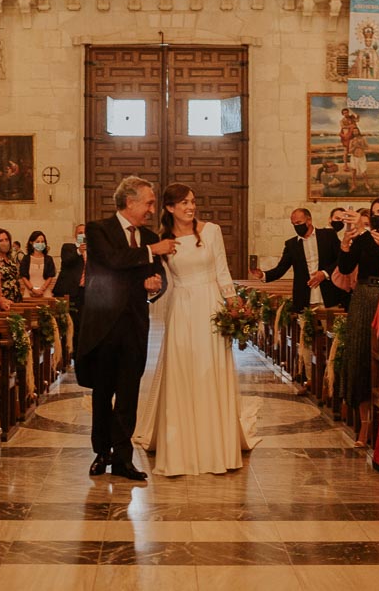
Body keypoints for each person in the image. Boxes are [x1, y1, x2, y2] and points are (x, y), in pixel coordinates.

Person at [134, 183, 258, 475]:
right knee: (184, 372)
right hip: (181, 307)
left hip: (211, 305)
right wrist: (150, 292)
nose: (190, 207)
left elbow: (222, 271)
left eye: (192, 201)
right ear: (170, 208)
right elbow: (162, 280)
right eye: (184, 203)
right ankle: (182, 446)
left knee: (209, 370)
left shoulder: (211, 231)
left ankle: (216, 445)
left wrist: (234, 305)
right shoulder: (162, 240)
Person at [77, 176, 175, 481]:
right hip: (104, 326)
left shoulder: (148, 237)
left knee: (129, 394)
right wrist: (151, 252)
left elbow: (159, 277)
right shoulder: (98, 230)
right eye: (147, 202)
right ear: (129, 202)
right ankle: (101, 453)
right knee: (103, 393)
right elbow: (113, 260)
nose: (151, 208)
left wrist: (155, 285)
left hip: (134, 325)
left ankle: (123, 458)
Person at [335, 196, 379, 447]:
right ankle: (364, 425)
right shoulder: (363, 239)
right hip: (364, 296)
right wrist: (346, 243)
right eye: (374, 213)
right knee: (361, 357)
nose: (377, 216)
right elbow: (344, 267)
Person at [252, 208, 349, 310]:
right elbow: (280, 269)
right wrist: (262, 275)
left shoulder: (328, 235)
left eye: (299, 222)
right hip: (304, 299)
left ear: (309, 220)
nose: (296, 226)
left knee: (330, 325)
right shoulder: (292, 245)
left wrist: (324, 273)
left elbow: (341, 259)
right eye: (294, 224)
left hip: (330, 295)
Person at [53, 223, 87, 323]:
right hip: (70, 291)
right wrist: (79, 252)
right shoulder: (68, 247)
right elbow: (67, 261)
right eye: (80, 233)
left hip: (85, 291)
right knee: (69, 322)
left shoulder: (92, 251)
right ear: (75, 235)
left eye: (85, 233)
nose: (83, 235)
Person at [19, 230, 56, 299]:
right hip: (29, 292)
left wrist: (42, 289)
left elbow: (50, 276)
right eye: (37, 242)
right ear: (31, 243)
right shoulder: (26, 259)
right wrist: (33, 289)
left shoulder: (49, 259)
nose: (40, 244)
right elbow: (23, 276)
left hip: (45, 293)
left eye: (42, 242)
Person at [0, 229, 23, 303]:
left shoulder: (11, 260)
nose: (5, 243)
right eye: (1, 240)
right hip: (3, 300)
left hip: (16, 299)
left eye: (6, 240)